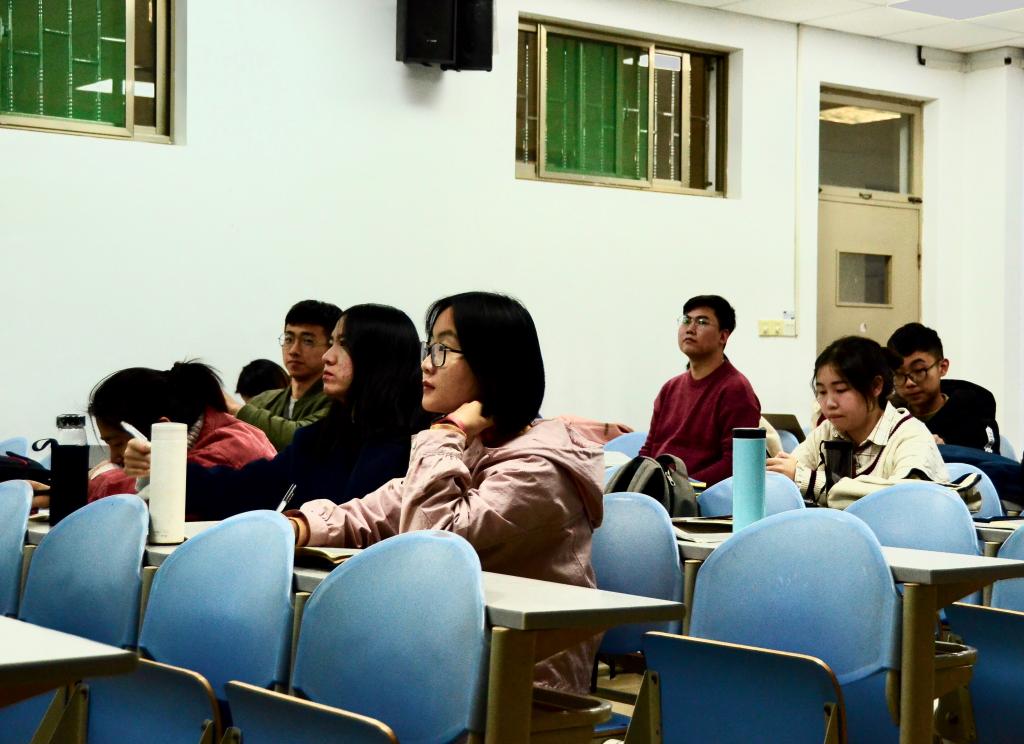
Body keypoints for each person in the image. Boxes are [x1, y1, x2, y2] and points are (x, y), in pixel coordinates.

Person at [287, 291, 604, 694]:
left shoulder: (538, 470)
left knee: (321, 670)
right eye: (429, 347)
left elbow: (433, 545)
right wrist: (296, 527)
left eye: (443, 350)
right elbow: (379, 511)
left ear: (491, 364)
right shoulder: (473, 445)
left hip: (522, 678)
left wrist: (445, 433)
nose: (425, 363)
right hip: (450, 652)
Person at [123, 304, 426, 519]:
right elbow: (243, 488)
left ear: (379, 358)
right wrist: (163, 465)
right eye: (331, 343)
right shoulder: (318, 440)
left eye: (343, 345)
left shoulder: (421, 445)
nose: (327, 356)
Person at [767, 336, 948, 508]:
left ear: (875, 386)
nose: (829, 403)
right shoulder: (827, 431)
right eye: (822, 392)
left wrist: (808, 480)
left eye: (840, 390)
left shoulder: (911, 435)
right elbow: (787, 474)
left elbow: (902, 499)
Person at [87, 362, 277, 502]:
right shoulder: (216, 430)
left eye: (118, 443)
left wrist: (98, 479)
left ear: (162, 428)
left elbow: (157, 500)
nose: (113, 458)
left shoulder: (223, 453)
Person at [639, 294, 760, 485]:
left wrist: (682, 486)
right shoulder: (670, 388)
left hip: (701, 496)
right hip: (661, 489)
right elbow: (649, 450)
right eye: (686, 320)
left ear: (723, 336)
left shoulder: (736, 390)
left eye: (702, 322)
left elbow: (735, 464)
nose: (690, 328)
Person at [226, 300, 342, 451]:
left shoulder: (339, 401)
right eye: (289, 339)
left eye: (307, 341)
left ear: (331, 347)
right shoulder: (263, 400)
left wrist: (236, 409)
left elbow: (301, 438)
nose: (293, 350)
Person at [887, 322, 1000, 452]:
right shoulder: (889, 416)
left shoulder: (974, 411)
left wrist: (947, 451)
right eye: (899, 374)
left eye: (919, 370)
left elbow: (989, 462)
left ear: (942, 367)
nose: (909, 383)